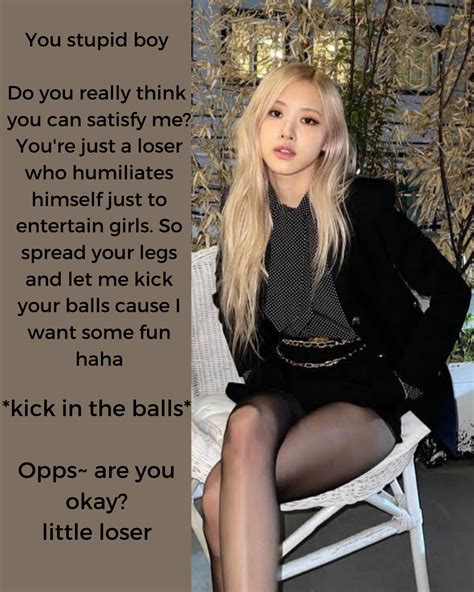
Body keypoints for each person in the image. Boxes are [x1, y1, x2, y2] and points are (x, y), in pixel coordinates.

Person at [203, 62, 470, 592]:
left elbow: (451, 292)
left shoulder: (362, 207)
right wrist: (257, 374)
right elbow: (236, 316)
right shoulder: (245, 216)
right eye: (276, 114)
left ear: (327, 140)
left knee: (217, 498)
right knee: (247, 424)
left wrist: (407, 381)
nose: (287, 132)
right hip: (288, 379)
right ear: (257, 123)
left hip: (364, 388)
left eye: (308, 121)